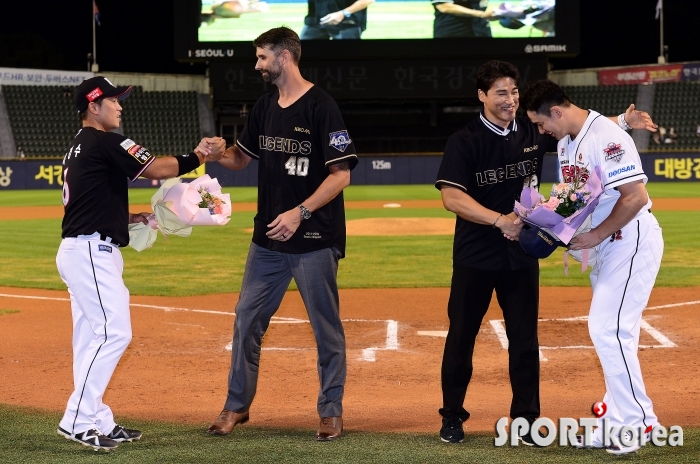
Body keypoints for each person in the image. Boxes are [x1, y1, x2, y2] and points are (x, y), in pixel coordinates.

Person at [434, 60, 657, 446]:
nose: (510, 100)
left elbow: (588, 132)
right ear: (482, 96)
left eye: (514, 92)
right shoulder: (465, 140)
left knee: (526, 340)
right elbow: (452, 197)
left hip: (524, 255)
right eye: (501, 93)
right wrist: (499, 220)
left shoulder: (533, 129)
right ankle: (452, 416)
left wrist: (622, 120)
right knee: (461, 338)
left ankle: (527, 421)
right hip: (476, 253)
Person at [56, 76, 225, 452]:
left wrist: (132, 218)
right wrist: (199, 156)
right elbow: (158, 169)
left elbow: (92, 201)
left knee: (91, 339)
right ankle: (78, 420)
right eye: (113, 100)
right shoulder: (105, 140)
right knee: (115, 334)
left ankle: (97, 418)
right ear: (93, 106)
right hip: (89, 254)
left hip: (84, 248)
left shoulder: (80, 147)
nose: (120, 106)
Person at [205, 27, 358, 442]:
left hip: (312, 240)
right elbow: (241, 159)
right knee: (246, 319)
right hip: (268, 241)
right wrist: (219, 154)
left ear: (284, 57)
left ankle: (330, 411)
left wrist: (300, 212)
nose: (257, 65)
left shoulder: (321, 107)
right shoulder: (264, 106)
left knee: (324, 327)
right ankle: (236, 406)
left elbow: (340, 174)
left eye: (261, 58)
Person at [523, 79, 664, 456]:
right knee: (617, 334)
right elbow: (576, 194)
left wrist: (596, 234)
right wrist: (543, 223)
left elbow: (635, 198)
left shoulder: (605, 136)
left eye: (540, 123)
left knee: (607, 329)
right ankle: (620, 417)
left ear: (556, 111)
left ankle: (638, 423)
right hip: (609, 247)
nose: (541, 131)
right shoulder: (569, 141)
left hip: (629, 240)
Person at [301, 0, 375, 40]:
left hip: (347, 23)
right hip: (316, 21)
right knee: (301, 55)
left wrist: (344, 13)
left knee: (347, 59)